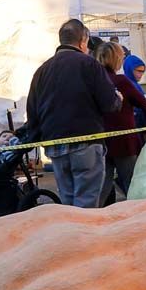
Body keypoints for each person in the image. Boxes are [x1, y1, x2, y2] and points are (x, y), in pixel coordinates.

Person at [25, 19, 121, 208]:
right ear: (83, 40)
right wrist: (118, 99)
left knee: (68, 204)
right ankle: (84, 229)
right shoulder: (89, 64)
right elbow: (109, 103)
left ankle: (70, 227)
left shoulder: (42, 70)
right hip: (86, 142)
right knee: (86, 202)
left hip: (55, 144)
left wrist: (33, 137)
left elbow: (32, 111)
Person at [93, 42, 146, 205]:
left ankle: (93, 213)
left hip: (101, 139)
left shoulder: (94, 81)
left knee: (103, 183)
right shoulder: (121, 81)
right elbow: (141, 102)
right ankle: (138, 212)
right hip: (124, 140)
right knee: (132, 182)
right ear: (116, 59)